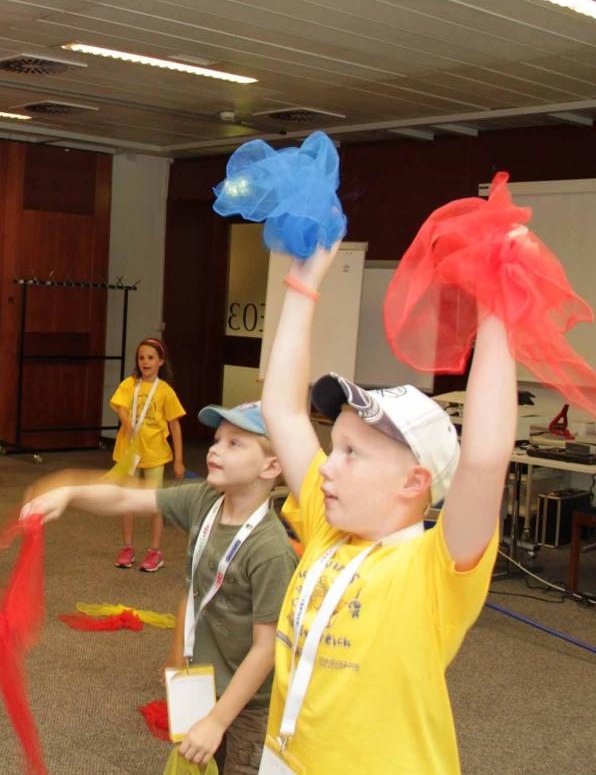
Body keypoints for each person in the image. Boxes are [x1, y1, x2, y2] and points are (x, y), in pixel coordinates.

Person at [258, 243, 516, 773]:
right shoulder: (330, 530)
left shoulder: (432, 569)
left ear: (414, 481)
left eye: (352, 454)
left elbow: (486, 458)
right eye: (334, 446)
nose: (326, 466)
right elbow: (281, 409)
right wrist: (303, 285)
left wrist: (494, 314)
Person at [21, 401, 299, 774]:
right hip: (204, 681)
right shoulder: (205, 501)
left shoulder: (270, 551)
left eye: (235, 444)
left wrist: (218, 720)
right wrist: (69, 492)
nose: (215, 449)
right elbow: (125, 496)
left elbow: (267, 649)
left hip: (250, 704)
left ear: (271, 466)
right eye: (218, 440)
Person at [110, 337, 185, 572]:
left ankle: (155, 551)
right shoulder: (129, 384)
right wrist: (125, 421)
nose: (145, 362)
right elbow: (120, 406)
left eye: (151, 358)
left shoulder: (165, 391)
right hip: (128, 453)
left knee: (155, 504)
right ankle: (127, 547)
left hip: (155, 454)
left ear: (161, 362)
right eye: (141, 357)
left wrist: (179, 461)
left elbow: (175, 426)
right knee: (127, 501)